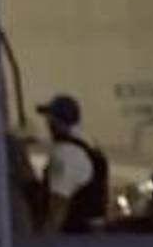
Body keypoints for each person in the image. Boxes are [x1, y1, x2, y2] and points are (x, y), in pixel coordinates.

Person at [36, 94, 109, 233]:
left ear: (55, 121)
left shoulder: (65, 153)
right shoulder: (90, 149)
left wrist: (45, 240)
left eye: (50, 119)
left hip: (72, 237)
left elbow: (59, 205)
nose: (47, 124)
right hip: (92, 235)